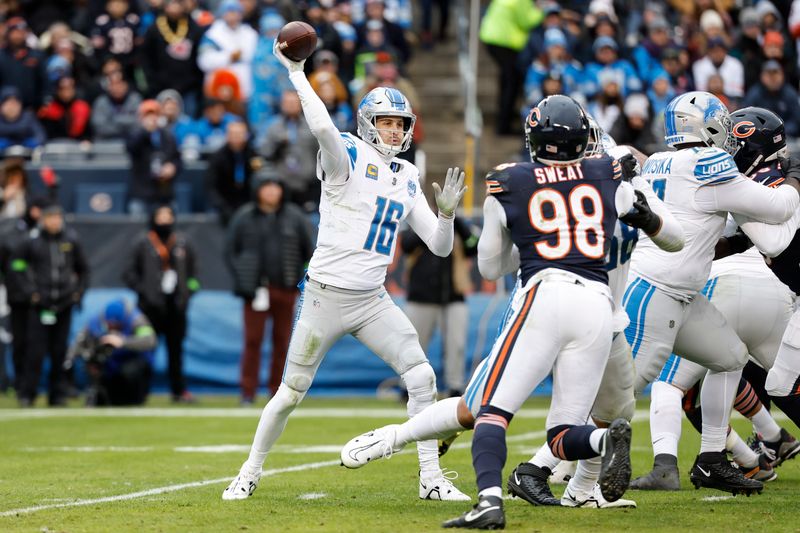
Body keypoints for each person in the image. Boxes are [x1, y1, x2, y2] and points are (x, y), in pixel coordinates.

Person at [340, 111, 684, 514]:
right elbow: (672, 237)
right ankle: (395, 437)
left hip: (587, 311)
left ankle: (579, 488)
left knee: (610, 411)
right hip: (569, 305)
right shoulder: (611, 180)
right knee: (477, 408)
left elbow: (491, 265)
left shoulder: (574, 180)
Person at [221, 40, 468, 503]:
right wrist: (297, 73)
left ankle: (431, 478)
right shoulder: (346, 158)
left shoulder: (408, 176)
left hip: (372, 299)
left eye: (400, 124)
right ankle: (249, 470)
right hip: (325, 297)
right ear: (367, 125)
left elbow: (439, 245)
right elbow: (321, 127)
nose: (394, 132)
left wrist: (449, 214)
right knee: (290, 392)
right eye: (387, 123)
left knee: (422, 377)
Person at [439, 95, 645, 528]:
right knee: (564, 432)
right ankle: (606, 438)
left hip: (545, 293)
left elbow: (492, 266)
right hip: (597, 304)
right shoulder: (606, 171)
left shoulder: (510, 180)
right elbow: (646, 205)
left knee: (493, 411)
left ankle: (490, 501)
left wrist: (523, 241)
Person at [623, 91, 800, 496]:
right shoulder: (708, 162)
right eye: (720, 123)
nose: (729, 140)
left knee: (731, 358)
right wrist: (795, 176)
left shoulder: (664, 161)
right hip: (660, 288)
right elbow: (775, 210)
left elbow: (717, 231)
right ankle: (544, 464)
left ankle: (713, 458)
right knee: (622, 390)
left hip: (684, 289)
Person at [225, 170, 313, 403]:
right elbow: (230, 252)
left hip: (285, 290)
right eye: (267, 186)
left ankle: (277, 391)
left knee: (282, 342)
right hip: (255, 291)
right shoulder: (244, 216)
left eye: (277, 186)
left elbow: (310, 250)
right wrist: (243, 281)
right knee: (252, 341)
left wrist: (300, 279)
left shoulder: (294, 217)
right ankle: (247, 391)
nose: (272, 191)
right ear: (258, 190)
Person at [7, 200, 89, 406]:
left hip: (63, 304)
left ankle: (57, 395)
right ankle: (28, 393)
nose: (54, 222)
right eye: (50, 218)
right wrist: (30, 293)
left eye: (57, 218)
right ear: (43, 220)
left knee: (59, 352)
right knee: (35, 352)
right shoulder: (31, 241)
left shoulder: (71, 240)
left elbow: (84, 269)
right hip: (39, 305)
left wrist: (78, 292)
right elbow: (16, 266)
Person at [123, 204, 199, 403]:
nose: (165, 219)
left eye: (168, 215)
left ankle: (179, 391)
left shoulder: (183, 242)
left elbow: (194, 274)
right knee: (146, 349)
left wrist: (188, 292)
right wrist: (144, 291)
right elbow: (129, 273)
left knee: (176, 351)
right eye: (160, 215)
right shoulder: (142, 242)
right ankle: (141, 391)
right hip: (149, 308)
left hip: (176, 306)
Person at [401, 217, 478, 397]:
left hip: (453, 295)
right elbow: (406, 245)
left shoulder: (459, 224)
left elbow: (473, 246)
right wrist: (434, 224)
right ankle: (409, 386)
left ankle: (455, 386)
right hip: (421, 296)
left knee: (456, 344)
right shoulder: (418, 218)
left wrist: (458, 224)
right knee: (414, 344)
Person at [67, 299, 157, 406]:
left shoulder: (135, 319)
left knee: (130, 371)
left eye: (115, 325)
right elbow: (79, 342)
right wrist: (72, 358)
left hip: (133, 359)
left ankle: (134, 399)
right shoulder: (96, 321)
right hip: (109, 361)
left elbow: (150, 340)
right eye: (109, 325)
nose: (112, 328)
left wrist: (123, 342)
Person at [479, 0, 543, 135]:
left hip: (492, 38)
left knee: (507, 79)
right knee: (511, 82)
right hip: (505, 42)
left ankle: (504, 118)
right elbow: (526, 21)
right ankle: (503, 124)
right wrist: (540, 11)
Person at [258, 91, 320, 211]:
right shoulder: (272, 126)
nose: (291, 105)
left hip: (307, 184)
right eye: (287, 102)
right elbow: (264, 153)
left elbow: (319, 152)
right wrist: (277, 146)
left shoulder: (311, 125)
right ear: (282, 104)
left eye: (294, 102)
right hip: (282, 184)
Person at [141, 0, 204, 117]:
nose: (174, 8)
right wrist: (153, 81)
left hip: (189, 87)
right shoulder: (154, 29)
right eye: (171, 4)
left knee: (187, 122)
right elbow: (146, 57)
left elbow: (200, 56)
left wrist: (196, 81)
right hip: (161, 87)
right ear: (165, 6)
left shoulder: (193, 27)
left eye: (178, 4)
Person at [125, 99, 181, 214]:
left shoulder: (168, 136)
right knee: (137, 230)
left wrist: (173, 167)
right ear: (141, 118)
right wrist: (146, 132)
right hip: (141, 194)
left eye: (154, 114)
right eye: (147, 115)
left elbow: (178, 159)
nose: (152, 118)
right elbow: (131, 148)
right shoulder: (135, 134)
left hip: (164, 194)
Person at [197, 0, 259, 100]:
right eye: (229, 12)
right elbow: (204, 62)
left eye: (235, 12)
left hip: (244, 88)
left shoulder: (250, 34)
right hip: (219, 88)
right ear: (222, 14)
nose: (232, 16)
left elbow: (255, 58)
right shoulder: (212, 35)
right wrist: (228, 57)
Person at [207, 120, 263, 225]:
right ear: (227, 135)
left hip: (250, 202)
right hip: (225, 203)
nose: (237, 137)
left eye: (240, 133)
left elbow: (260, 179)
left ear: (246, 135)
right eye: (233, 134)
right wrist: (222, 207)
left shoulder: (254, 155)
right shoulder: (217, 157)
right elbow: (211, 187)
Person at [742, 61, 800, 138]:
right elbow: (746, 120)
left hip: (786, 137)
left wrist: (780, 131)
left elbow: (796, 120)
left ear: (782, 75)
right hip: (762, 138)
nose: (773, 78)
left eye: (776, 74)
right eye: (769, 74)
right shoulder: (754, 94)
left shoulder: (790, 93)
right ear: (762, 76)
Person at [0, 17, 47, 109]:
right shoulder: (1, 56)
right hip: (4, 109)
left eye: (22, 32)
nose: (18, 35)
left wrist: (44, 102)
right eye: (15, 32)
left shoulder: (37, 55)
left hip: (32, 108)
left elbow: (45, 82)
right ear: (8, 34)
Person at [90, 71, 143, 140]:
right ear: (108, 87)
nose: (116, 88)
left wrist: (114, 120)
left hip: (132, 142)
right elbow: (99, 128)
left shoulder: (135, 99)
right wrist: (126, 126)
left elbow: (139, 124)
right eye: (112, 84)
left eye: (119, 83)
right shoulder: (101, 102)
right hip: (106, 142)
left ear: (126, 85)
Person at [37, 76, 92, 141]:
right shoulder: (48, 111)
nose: (66, 92)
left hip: (78, 145)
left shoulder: (83, 108)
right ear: (57, 90)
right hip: (56, 145)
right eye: (63, 89)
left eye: (69, 88)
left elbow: (88, 133)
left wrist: (86, 140)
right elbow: (45, 135)